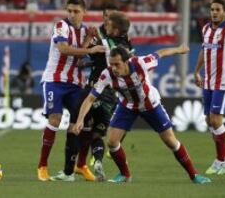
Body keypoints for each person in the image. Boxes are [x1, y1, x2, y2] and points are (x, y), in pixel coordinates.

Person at [73, 45, 211, 184]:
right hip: (127, 106)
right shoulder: (107, 74)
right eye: (111, 64)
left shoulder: (140, 63)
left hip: (150, 104)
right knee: (112, 142)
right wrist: (80, 120)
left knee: (171, 142)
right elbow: (91, 98)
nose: (114, 68)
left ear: (126, 61)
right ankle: (125, 175)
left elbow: (159, 53)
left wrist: (178, 49)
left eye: (117, 64)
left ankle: (194, 175)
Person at [37, 0, 105, 182]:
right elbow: (64, 49)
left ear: (84, 12)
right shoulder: (61, 26)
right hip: (54, 81)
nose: (72, 14)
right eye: (70, 10)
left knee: (84, 122)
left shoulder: (86, 31)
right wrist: (90, 49)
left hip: (75, 83)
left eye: (76, 11)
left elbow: (81, 59)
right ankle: (43, 165)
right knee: (55, 119)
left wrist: (92, 39)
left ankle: (80, 165)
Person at [75, 8, 133, 181]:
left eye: (108, 21)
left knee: (81, 128)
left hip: (97, 87)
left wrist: (89, 40)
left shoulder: (106, 42)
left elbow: (86, 52)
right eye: (105, 19)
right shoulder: (127, 45)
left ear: (115, 28)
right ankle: (96, 161)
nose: (105, 23)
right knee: (98, 132)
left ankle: (74, 167)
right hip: (114, 94)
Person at [194, 0, 225, 175]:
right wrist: (196, 71)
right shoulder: (206, 29)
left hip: (223, 82)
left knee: (216, 120)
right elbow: (203, 50)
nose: (214, 12)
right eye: (212, 9)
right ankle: (221, 158)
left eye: (218, 9)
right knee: (209, 121)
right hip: (208, 81)